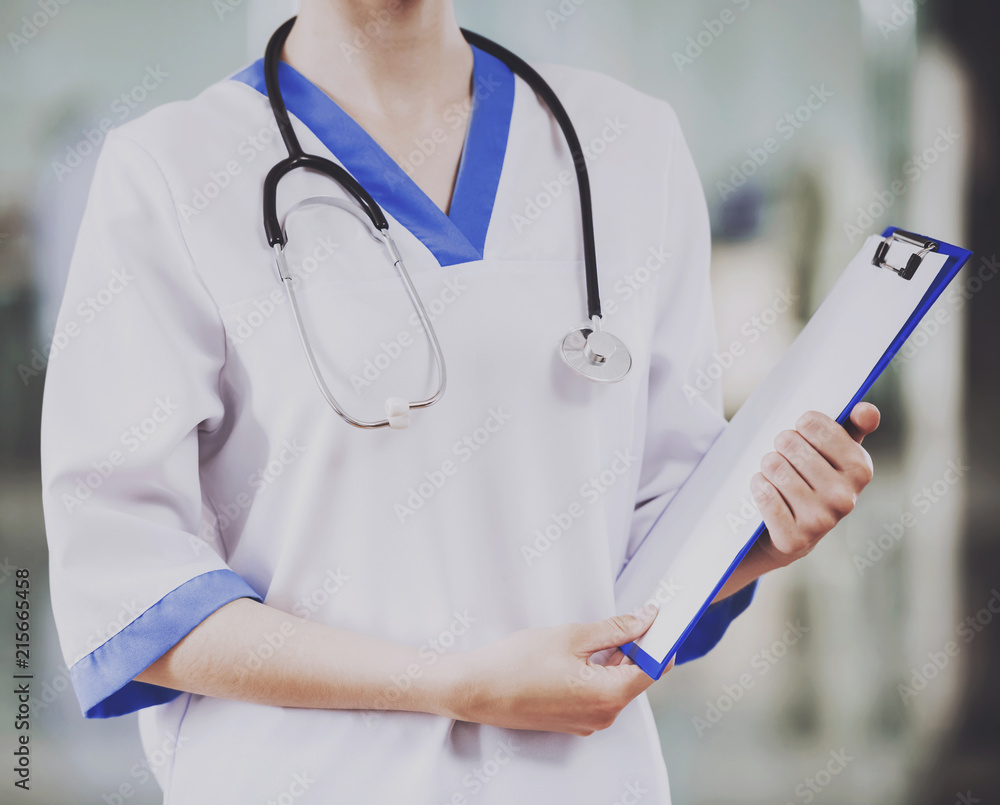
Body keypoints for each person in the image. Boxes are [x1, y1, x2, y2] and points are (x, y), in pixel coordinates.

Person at [39, 1, 878, 802]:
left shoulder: (629, 143)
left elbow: (653, 545)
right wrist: (453, 685)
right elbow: (131, 591)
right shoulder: (169, 170)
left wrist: (761, 533)